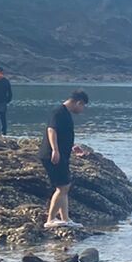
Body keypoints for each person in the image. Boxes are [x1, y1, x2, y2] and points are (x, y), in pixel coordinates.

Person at [40, 90, 91, 228]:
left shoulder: (65, 113)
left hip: (62, 154)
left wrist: (72, 147)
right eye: (83, 106)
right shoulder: (59, 112)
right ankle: (50, 220)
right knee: (63, 187)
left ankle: (65, 219)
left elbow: (63, 134)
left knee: (65, 186)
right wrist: (55, 150)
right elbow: (52, 130)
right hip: (52, 154)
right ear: (78, 102)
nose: (82, 109)